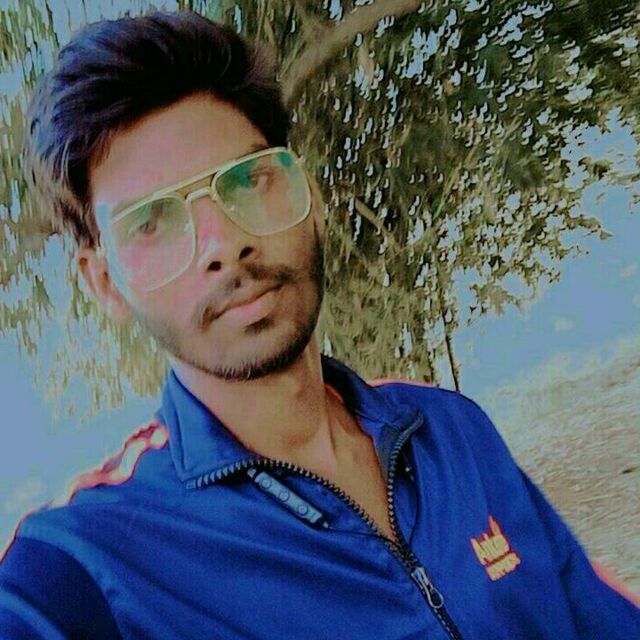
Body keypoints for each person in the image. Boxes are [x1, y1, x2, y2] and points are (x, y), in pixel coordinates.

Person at [0, 10, 638, 640]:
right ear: (105, 283)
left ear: (308, 195)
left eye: (248, 180)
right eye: (152, 222)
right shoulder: (81, 566)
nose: (223, 242)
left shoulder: (449, 433)